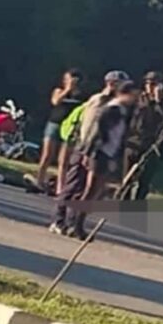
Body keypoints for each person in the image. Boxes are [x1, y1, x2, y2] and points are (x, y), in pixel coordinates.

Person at [51, 81, 139, 240]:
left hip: (104, 153)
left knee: (89, 191)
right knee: (85, 190)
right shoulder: (111, 109)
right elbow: (96, 133)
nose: (135, 99)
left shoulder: (122, 111)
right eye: (133, 95)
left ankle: (73, 223)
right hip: (96, 153)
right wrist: (88, 153)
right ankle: (70, 223)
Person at [30, 69, 83, 191]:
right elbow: (55, 101)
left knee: (64, 160)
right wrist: (67, 90)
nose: (66, 81)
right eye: (66, 79)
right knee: (47, 155)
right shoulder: (59, 90)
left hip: (70, 127)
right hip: (54, 123)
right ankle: (40, 180)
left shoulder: (81, 95)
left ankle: (60, 188)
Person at [121, 71, 163, 200]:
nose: (150, 87)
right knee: (127, 180)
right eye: (147, 83)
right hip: (133, 144)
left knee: (143, 183)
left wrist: (159, 102)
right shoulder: (138, 99)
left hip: (152, 147)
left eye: (153, 84)